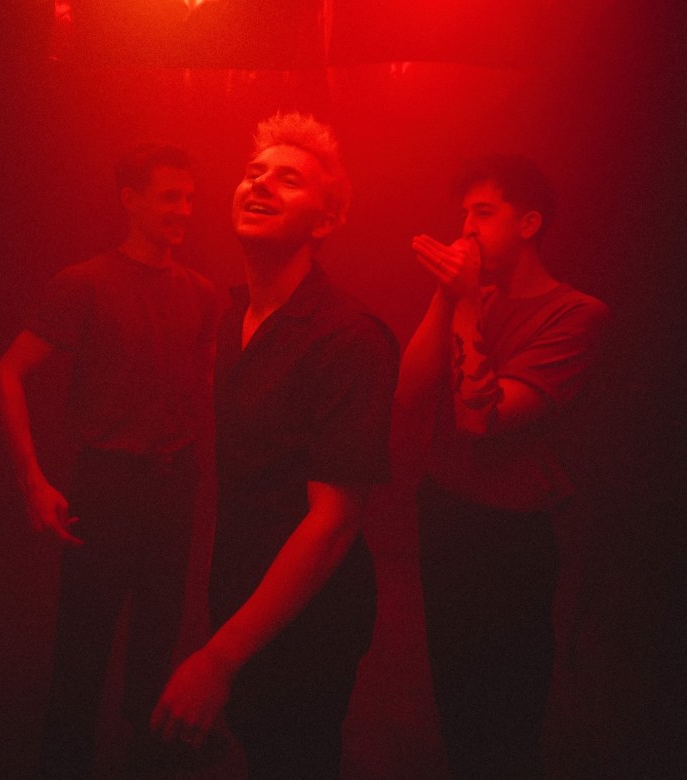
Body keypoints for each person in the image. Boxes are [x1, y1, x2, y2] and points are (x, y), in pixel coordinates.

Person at [150, 112, 399, 779]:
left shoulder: (349, 338)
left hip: (311, 623)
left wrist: (219, 659)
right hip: (240, 593)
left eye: (288, 180)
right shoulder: (237, 316)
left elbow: (334, 522)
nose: (260, 185)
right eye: (254, 172)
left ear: (325, 222)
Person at [0, 144, 217, 778]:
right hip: (109, 483)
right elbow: (5, 375)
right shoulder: (83, 282)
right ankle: (63, 763)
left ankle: (146, 755)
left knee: (159, 637)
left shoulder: (200, 293)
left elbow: (205, 390)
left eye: (191, 198)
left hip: (175, 481)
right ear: (130, 200)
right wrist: (32, 482)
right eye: (171, 196)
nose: (185, 210)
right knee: (83, 648)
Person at [396, 154, 609, 778]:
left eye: (482, 213)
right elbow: (409, 395)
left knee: (509, 708)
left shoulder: (577, 314)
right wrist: (447, 295)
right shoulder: (469, 295)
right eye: (462, 215)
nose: (465, 230)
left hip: (512, 532)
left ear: (529, 223)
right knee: (454, 690)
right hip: (443, 509)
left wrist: (466, 307)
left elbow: (479, 418)